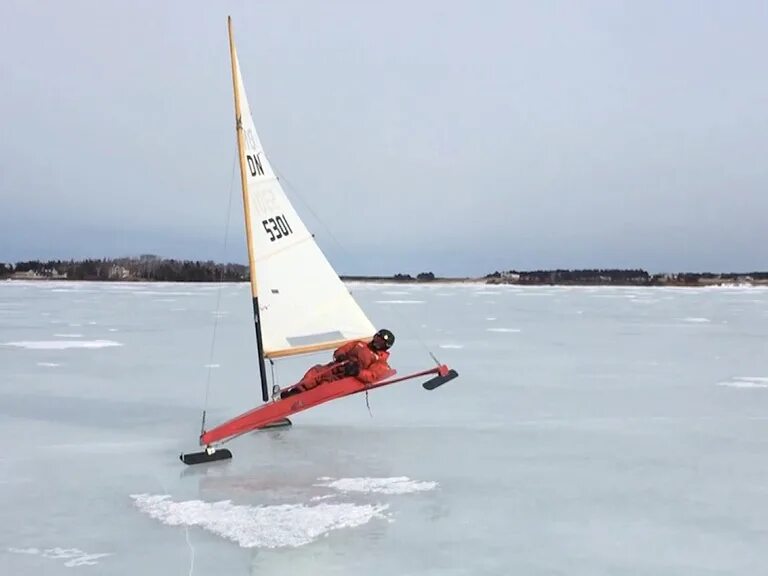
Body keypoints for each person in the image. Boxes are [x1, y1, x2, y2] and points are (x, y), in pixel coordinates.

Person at [279, 329, 395, 399]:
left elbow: (372, 376)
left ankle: (305, 398)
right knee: (315, 372)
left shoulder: (380, 360)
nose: (376, 342)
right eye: (376, 338)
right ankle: (296, 391)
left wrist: (357, 371)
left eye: (381, 342)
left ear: (386, 346)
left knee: (326, 384)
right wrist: (340, 355)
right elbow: (342, 349)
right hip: (334, 367)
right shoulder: (359, 344)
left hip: (345, 376)